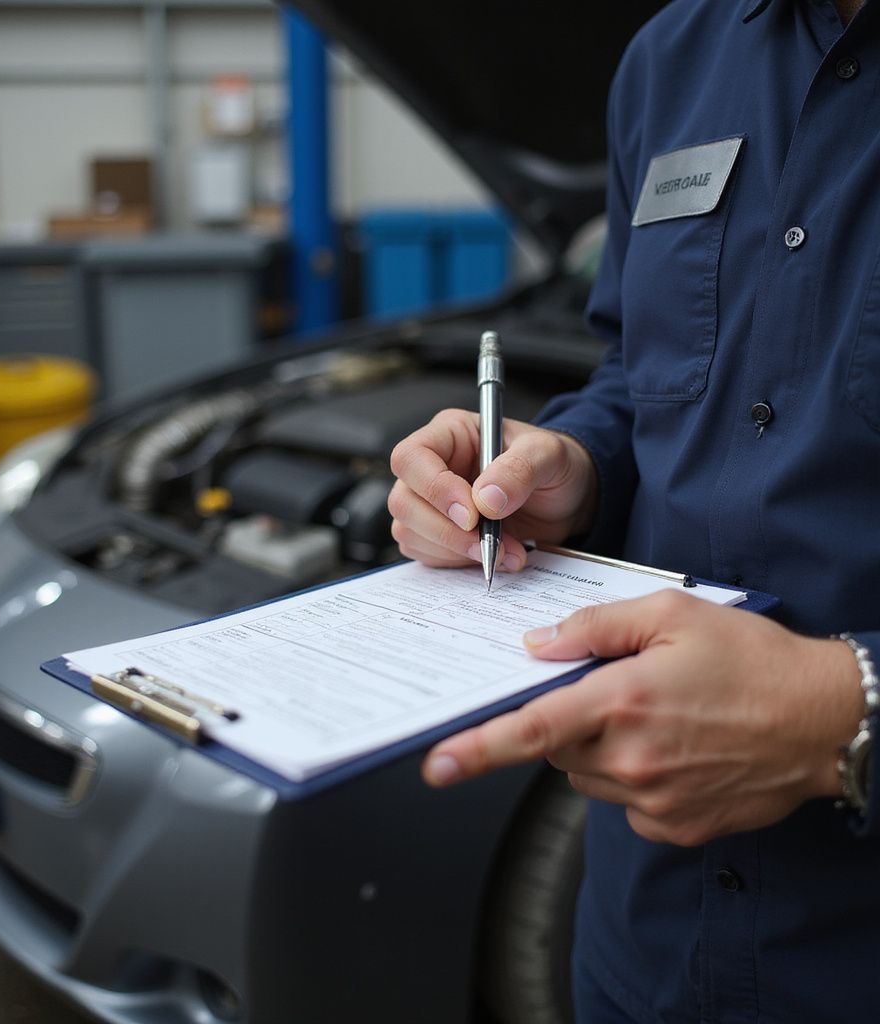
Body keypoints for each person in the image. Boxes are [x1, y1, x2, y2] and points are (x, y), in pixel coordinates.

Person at [387, 0, 880, 1020]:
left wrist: (843, 712)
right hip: (644, 952)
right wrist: (571, 464)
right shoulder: (671, 58)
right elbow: (635, 364)